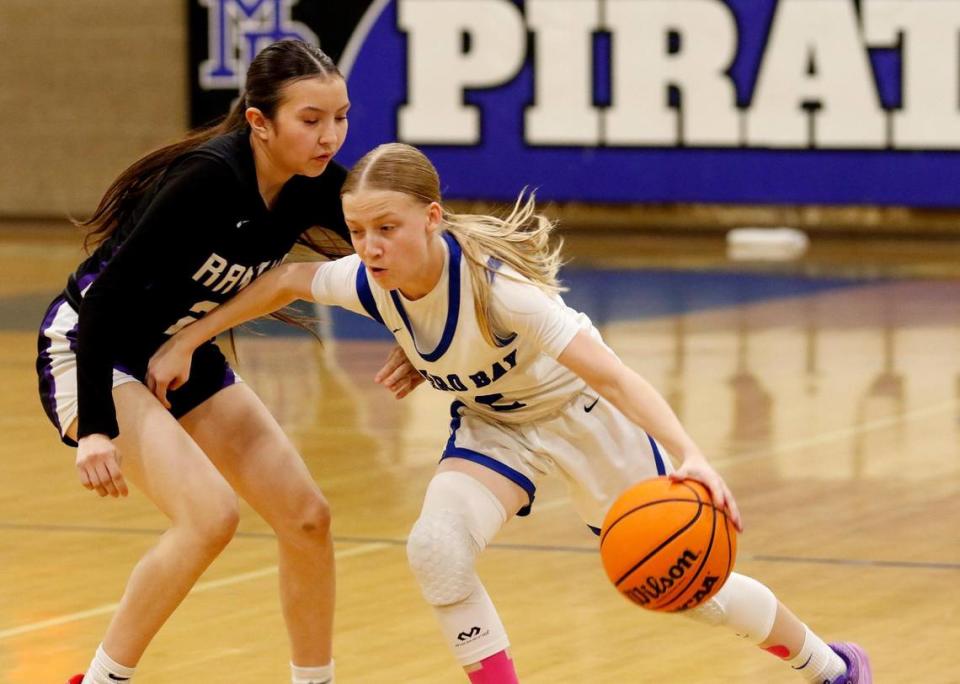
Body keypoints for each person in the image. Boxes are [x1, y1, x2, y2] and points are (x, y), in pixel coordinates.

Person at [146, 142, 873, 684]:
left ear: (431, 218)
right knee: (434, 549)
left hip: (586, 417)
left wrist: (692, 455)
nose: (369, 246)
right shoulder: (371, 281)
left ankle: (830, 667)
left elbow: (617, 377)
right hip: (496, 427)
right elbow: (286, 279)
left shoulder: (504, 293)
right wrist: (190, 336)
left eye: (387, 228)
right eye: (358, 229)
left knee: (688, 594)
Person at [36, 41, 417, 684]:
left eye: (341, 117)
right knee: (210, 516)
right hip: (91, 348)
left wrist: (424, 330)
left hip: (177, 347)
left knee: (307, 517)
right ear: (259, 122)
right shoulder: (206, 180)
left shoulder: (314, 185)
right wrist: (97, 427)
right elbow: (104, 308)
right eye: (311, 120)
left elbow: (394, 247)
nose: (330, 136)